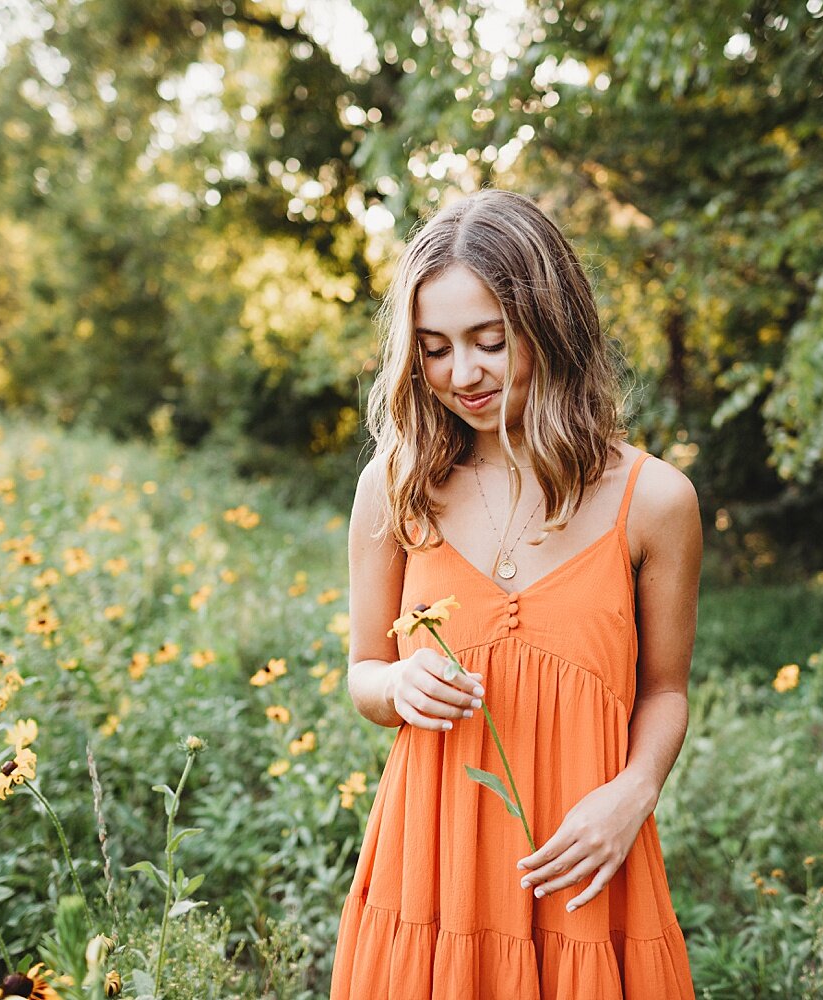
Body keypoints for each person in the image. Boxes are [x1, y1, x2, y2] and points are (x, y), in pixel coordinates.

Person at [331, 188, 701, 999]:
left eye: (489, 342)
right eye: (433, 349)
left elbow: (666, 690)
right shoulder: (394, 487)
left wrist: (632, 794)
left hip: (583, 867)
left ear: (552, 324)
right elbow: (363, 671)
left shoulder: (655, 500)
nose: (461, 374)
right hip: (432, 868)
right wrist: (396, 683)